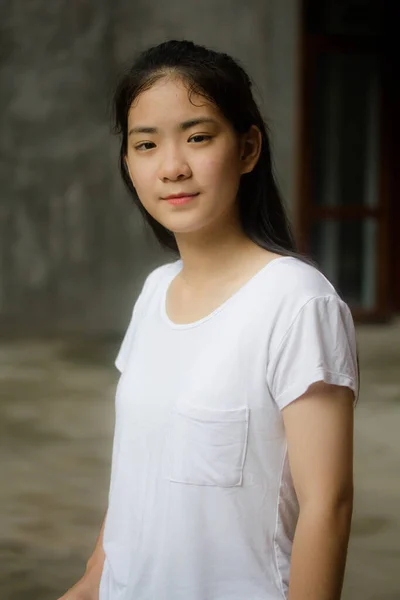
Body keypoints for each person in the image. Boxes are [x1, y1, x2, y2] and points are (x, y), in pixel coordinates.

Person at [59, 40, 358, 600]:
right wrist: (89, 584)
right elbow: (135, 487)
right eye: (146, 144)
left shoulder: (296, 301)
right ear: (128, 162)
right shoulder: (154, 293)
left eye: (198, 138)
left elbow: (329, 507)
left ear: (247, 149)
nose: (173, 167)